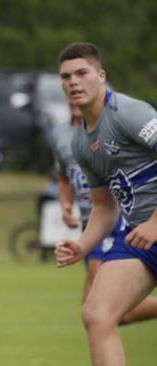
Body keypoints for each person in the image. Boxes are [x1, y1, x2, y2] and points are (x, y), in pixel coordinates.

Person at [54, 42, 157, 366]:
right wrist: (81, 246)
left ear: (101, 76)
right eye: (66, 76)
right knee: (97, 315)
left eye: (82, 73)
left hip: (152, 227)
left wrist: (155, 222)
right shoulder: (80, 142)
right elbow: (104, 207)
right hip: (139, 237)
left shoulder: (127, 112)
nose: (73, 82)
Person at [51, 99, 157, 324]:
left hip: (114, 222)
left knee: (96, 307)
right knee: (111, 314)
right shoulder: (61, 136)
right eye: (67, 83)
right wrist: (65, 204)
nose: (73, 95)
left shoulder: (113, 125)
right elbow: (63, 176)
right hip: (90, 224)